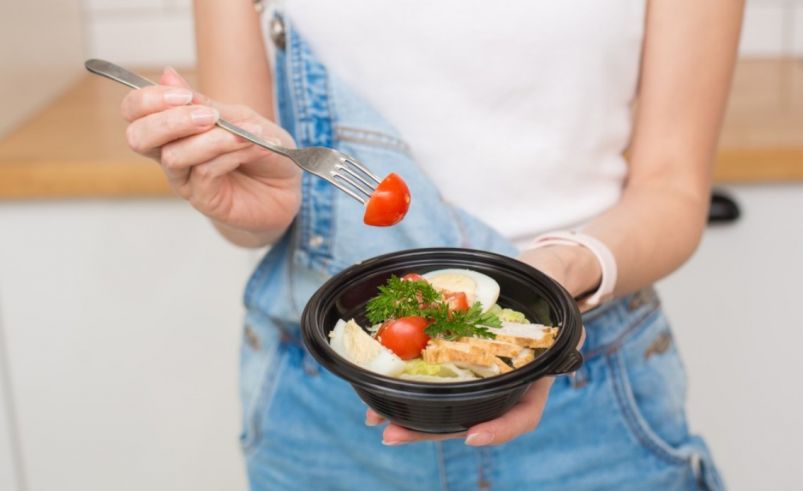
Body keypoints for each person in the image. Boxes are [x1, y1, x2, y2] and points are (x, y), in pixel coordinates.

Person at [119, 1, 742, 489]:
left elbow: (674, 190)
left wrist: (554, 279)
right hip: (322, 398)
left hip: (589, 383)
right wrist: (251, 199)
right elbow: (253, 209)